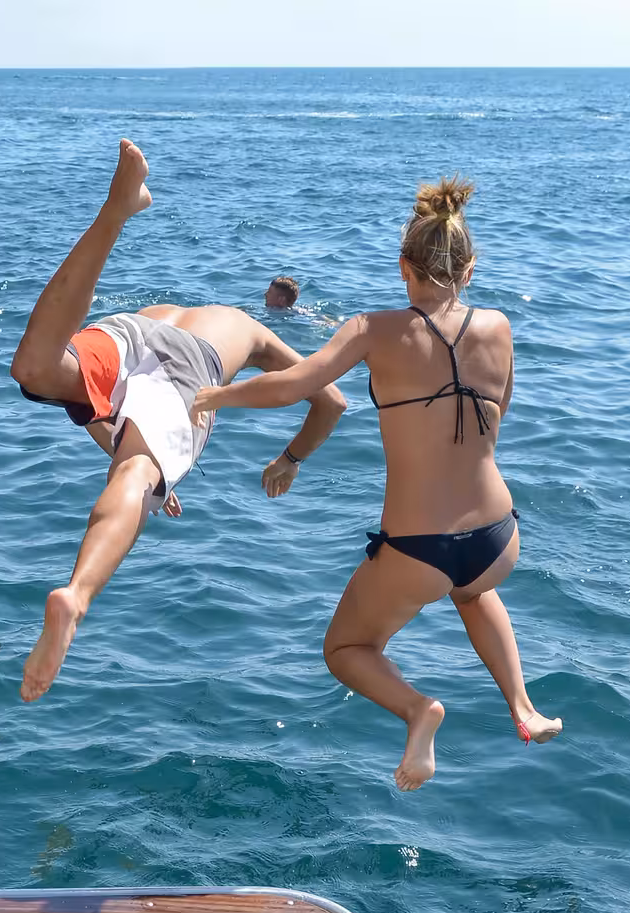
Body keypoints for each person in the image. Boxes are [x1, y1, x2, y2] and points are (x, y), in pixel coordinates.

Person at [193, 175, 562, 790]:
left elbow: (294, 386)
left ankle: (419, 711)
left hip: (419, 547)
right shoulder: (500, 326)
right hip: (498, 537)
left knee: (345, 649)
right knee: (471, 592)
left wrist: (215, 395)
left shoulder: (373, 329)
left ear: (402, 268)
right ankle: (522, 705)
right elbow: (499, 417)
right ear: (469, 269)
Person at [9, 139, 347, 704]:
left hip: (126, 330)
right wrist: (289, 459)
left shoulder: (172, 309)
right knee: (135, 478)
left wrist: (123, 448)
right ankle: (76, 596)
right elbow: (331, 400)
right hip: (196, 367)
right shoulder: (251, 329)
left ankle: (115, 212)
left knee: (36, 367)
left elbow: (104, 403)